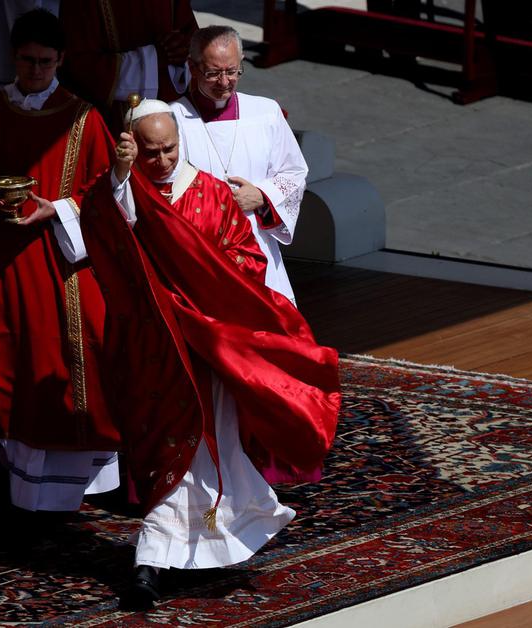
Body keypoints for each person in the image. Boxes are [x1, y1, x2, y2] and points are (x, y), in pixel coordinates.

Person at [78, 100, 340, 609]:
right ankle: (162, 553)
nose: (161, 161)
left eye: (169, 149)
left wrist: (209, 293)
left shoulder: (213, 194)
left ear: (181, 141)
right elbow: (106, 228)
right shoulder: (124, 188)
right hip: (156, 349)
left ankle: (169, 559)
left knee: (208, 444)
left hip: (207, 347)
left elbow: (245, 258)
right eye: (149, 153)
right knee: (162, 447)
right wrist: (119, 174)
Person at [0, 9, 120, 515]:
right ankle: (14, 489)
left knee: (55, 362)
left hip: (59, 264)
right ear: (12, 57)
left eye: (44, 61)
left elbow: (104, 197)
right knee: (3, 361)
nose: (34, 70)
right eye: (25, 60)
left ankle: (67, 495)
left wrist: (54, 209)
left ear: (61, 60)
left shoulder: (84, 118)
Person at [170, 25, 308, 303]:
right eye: (213, 73)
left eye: (232, 71)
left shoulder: (265, 113)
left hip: (258, 246)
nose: (224, 82)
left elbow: (294, 172)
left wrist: (262, 195)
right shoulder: (173, 119)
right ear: (192, 68)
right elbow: (164, 188)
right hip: (203, 251)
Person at [58, 0, 198, 131]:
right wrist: (154, 57)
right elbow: (79, 63)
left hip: (171, 103)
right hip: (113, 117)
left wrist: (183, 48)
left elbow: (189, 31)